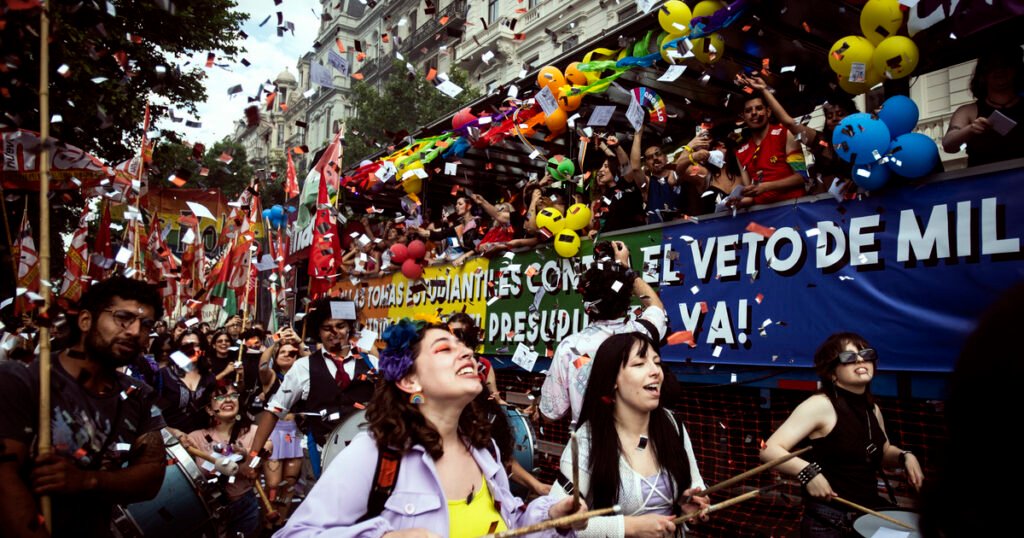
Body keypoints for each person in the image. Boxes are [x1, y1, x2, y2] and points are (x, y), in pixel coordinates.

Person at [275, 319, 587, 536]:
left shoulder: (483, 448)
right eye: (443, 349)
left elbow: (510, 526)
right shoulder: (375, 454)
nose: (466, 351)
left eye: (462, 346)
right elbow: (296, 533)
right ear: (410, 380)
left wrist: (550, 517)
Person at [0, 276, 167, 537]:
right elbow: (4, 479)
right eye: (123, 317)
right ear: (86, 320)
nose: (135, 332)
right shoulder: (23, 379)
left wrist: (87, 481)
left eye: (146, 324)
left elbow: (151, 476)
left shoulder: (138, 395)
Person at [761, 332, 924, 537]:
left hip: (868, 513)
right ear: (832, 373)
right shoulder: (820, 405)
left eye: (865, 353)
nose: (860, 359)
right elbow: (768, 450)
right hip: (831, 521)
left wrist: (904, 456)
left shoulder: (872, 409)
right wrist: (807, 473)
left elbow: (881, 453)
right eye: (848, 357)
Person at [550, 332, 709, 536]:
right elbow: (558, 520)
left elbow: (695, 483)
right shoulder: (588, 439)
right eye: (639, 364)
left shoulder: (672, 423)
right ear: (613, 379)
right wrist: (629, 527)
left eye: (657, 362)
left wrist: (688, 502)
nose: (655, 372)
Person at [540, 240, 668, 423]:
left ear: (587, 306)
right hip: (638, 446)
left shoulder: (570, 349)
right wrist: (626, 270)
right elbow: (655, 305)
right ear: (628, 299)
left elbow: (550, 413)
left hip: (590, 447)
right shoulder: (643, 333)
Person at [249, 298, 376, 458]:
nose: (335, 332)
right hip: (322, 455)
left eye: (340, 326)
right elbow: (274, 410)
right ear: (318, 331)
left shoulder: (372, 364)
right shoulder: (303, 366)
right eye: (327, 328)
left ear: (350, 328)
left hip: (367, 453)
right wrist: (253, 455)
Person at [448, 313, 552, 497]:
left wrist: (517, 413)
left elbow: (496, 400)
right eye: (450, 337)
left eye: (462, 337)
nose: (458, 346)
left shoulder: (484, 368)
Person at [736, 74, 858, 194]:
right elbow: (789, 123)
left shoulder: (866, 140)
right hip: (827, 208)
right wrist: (764, 89)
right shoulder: (822, 142)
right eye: (829, 116)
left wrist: (858, 178)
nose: (835, 119)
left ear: (853, 116)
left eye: (841, 114)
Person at [186, 384, 268, 538]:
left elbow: (262, 460)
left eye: (233, 395)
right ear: (209, 409)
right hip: (209, 509)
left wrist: (247, 456)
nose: (228, 400)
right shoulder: (194, 438)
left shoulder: (255, 432)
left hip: (245, 505)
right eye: (220, 397)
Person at [941, 46, 1024, 167]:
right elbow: (948, 145)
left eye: (1005, 65)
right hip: (983, 182)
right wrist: (970, 129)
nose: (999, 70)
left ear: (1016, 69)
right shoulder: (968, 111)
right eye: (992, 66)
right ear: (983, 73)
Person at [258, 333, 307, 517]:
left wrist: (299, 342)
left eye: (292, 353)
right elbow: (262, 366)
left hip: (294, 433)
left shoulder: (303, 377)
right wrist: (275, 342)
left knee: (289, 482)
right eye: (283, 353)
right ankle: (268, 521)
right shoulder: (271, 377)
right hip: (273, 433)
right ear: (276, 358)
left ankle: (281, 520)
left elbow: (313, 362)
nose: (287, 355)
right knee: (273, 484)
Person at [734, 93, 808, 205]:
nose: (754, 113)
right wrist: (737, 202)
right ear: (743, 117)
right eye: (748, 111)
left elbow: (801, 177)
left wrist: (767, 186)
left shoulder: (785, 134)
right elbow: (750, 194)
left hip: (793, 208)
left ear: (768, 112)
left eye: (759, 108)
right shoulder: (740, 152)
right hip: (763, 216)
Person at [155, 329, 218, 436]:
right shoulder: (164, 375)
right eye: (185, 345)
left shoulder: (209, 378)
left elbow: (214, 411)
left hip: (201, 441)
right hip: (171, 441)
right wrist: (172, 432)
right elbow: (153, 412)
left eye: (195, 345)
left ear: (202, 349)